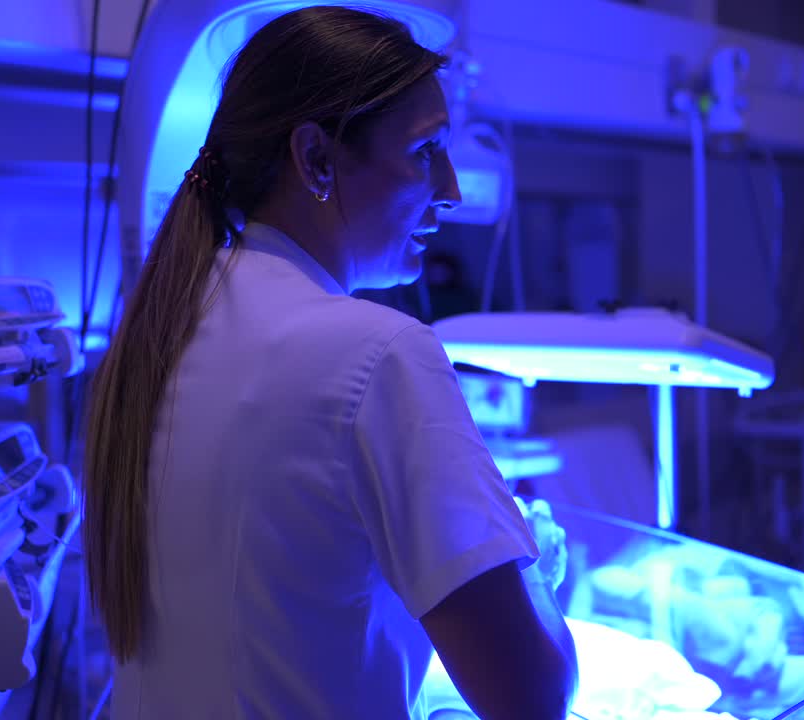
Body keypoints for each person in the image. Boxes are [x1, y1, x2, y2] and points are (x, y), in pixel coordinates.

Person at [84, 6, 578, 719]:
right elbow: (531, 696)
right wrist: (533, 574)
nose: (451, 189)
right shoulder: (379, 354)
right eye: (425, 150)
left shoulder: (162, 326)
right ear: (315, 158)